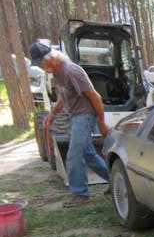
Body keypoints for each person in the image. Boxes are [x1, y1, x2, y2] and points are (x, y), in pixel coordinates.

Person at [29, 42, 110, 202]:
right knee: (88, 154)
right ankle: (116, 179)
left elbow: (95, 97)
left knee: (73, 155)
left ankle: (80, 194)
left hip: (84, 116)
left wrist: (101, 123)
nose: (43, 68)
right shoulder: (58, 72)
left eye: (43, 63)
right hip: (75, 116)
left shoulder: (71, 71)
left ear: (51, 58)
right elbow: (63, 96)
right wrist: (52, 113)